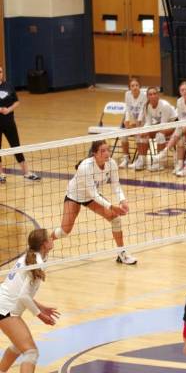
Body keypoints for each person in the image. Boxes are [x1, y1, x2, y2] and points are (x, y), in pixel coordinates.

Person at [52, 140, 137, 265]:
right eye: (103, 151)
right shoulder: (85, 167)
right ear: (94, 154)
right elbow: (93, 194)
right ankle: (45, 242)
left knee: (116, 219)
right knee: (65, 231)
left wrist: (122, 200)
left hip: (92, 196)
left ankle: (121, 253)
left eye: (108, 149)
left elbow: (115, 185)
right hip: (75, 195)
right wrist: (112, 206)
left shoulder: (111, 163)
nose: (107, 153)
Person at [0, 229, 58, 373]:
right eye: (49, 238)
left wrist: (41, 307)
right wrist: (40, 315)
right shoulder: (36, 263)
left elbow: (22, 292)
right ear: (44, 244)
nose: (52, 239)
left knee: (18, 346)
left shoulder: (29, 257)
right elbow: (23, 297)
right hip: (5, 309)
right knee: (31, 352)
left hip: (3, 304)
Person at [155, 81, 186, 176]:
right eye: (182, 90)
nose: (184, 92)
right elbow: (182, 119)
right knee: (180, 141)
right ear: (180, 92)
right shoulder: (179, 101)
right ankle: (181, 165)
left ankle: (165, 151)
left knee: (180, 128)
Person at [0, 66, 40, 183]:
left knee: (16, 146)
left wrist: (9, 109)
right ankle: (1, 174)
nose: (0, 74)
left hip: (9, 122)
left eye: (1, 72)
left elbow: (16, 102)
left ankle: (26, 173)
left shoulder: (9, 86)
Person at [128, 87, 177, 171]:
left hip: (173, 124)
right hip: (159, 125)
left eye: (155, 93)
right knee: (141, 135)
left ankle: (159, 163)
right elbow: (148, 123)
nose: (153, 96)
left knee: (160, 135)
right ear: (147, 96)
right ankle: (141, 161)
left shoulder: (165, 105)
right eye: (150, 94)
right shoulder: (147, 106)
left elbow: (163, 125)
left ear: (158, 95)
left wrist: (148, 131)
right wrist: (143, 131)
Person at [118, 77, 147, 169]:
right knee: (123, 135)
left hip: (144, 122)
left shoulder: (144, 96)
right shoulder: (127, 95)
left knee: (138, 134)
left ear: (140, 87)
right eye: (132, 86)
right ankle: (126, 159)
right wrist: (126, 121)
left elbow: (142, 111)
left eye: (136, 85)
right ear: (129, 87)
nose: (134, 87)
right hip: (133, 122)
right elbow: (127, 109)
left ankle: (140, 159)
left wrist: (136, 124)